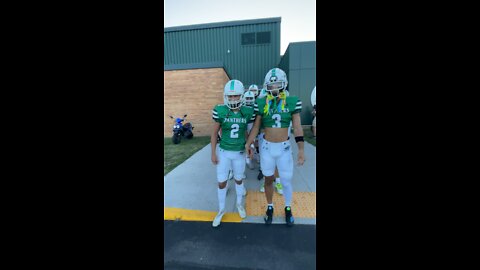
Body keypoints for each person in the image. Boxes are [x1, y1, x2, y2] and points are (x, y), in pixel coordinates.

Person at [245, 68, 305, 227]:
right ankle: (270, 207)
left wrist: (301, 149)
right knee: (268, 179)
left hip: (284, 148)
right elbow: (256, 127)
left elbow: (298, 128)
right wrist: (248, 143)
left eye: (278, 84)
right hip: (267, 148)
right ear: (266, 87)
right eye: (271, 85)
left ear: (284, 84)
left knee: (286, 181)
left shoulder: (292, 101)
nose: (275, 88)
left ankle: (287, 207)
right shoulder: (261, 102)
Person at [211, 79, 255, 227]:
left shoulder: (247, 111)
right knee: (222, 182)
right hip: (223, 152)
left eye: (236, 95)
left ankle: (239, 204)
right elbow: (214, 133)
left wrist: (250, 146)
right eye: (230, 96)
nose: (232, 98)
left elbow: (249, 132)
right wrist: (213, 152)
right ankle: (221, 209)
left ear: (241, 96)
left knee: (239, 180)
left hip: (240, 152)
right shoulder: (220, 110)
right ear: (225, 96)